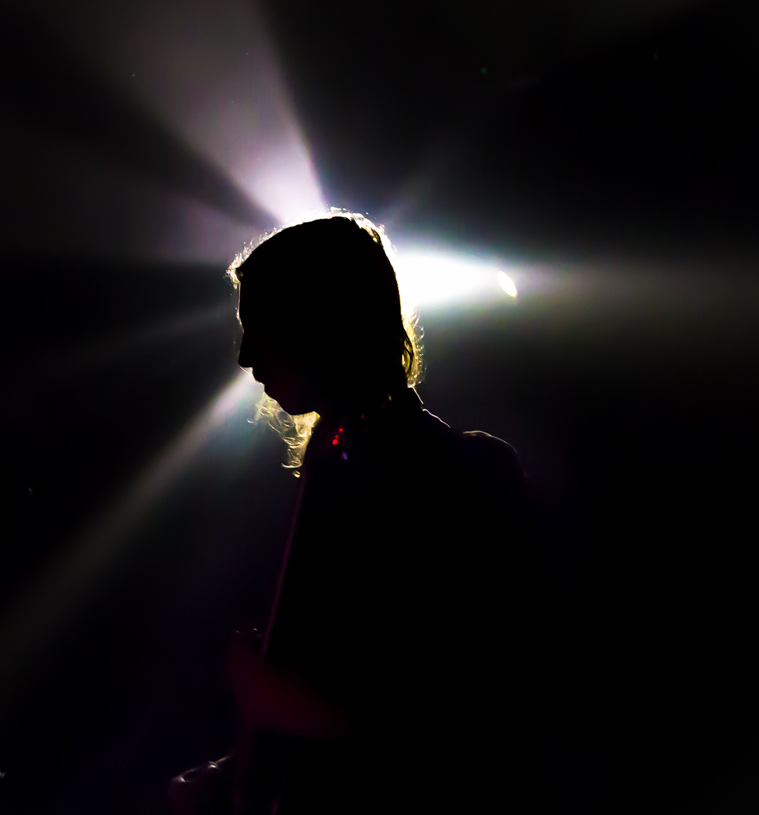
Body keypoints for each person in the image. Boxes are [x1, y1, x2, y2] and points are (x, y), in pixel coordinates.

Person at [225, 212, 551, 814]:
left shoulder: (456, 474)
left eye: (259, 327)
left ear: (313, 323)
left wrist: (270, 697)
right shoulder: (334, 464)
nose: (246, 356)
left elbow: (433, 711)